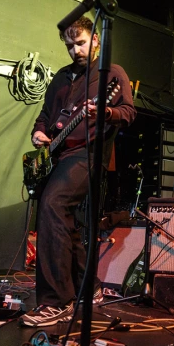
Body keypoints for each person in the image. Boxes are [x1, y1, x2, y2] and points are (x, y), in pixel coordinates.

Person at [22, 16, 136, 327]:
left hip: (87, 155)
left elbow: (128, 112)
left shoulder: (111, 74)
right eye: (70, 46)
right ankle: (89, 287)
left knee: (53, 205)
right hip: (58, 155)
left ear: (96, 40)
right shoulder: (60, 77)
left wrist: (106, 112)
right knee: (62, 222)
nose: (76, 50)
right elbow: (45, 116)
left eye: (81, 43)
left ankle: (55, 302)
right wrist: (39, 133)